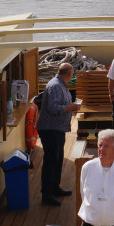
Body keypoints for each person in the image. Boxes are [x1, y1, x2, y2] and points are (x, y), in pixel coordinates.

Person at [36, 63, 83, 206]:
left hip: (58, 128)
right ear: (68, 74)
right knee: (51, 161)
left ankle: (55, 188)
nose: (72, 76)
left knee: (57, 160)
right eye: (72, 74)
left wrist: (71, 105)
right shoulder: (56, 86)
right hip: (50, 129)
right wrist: (71, 107)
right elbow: (53, 107)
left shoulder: (60, 84)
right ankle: (47, 194)